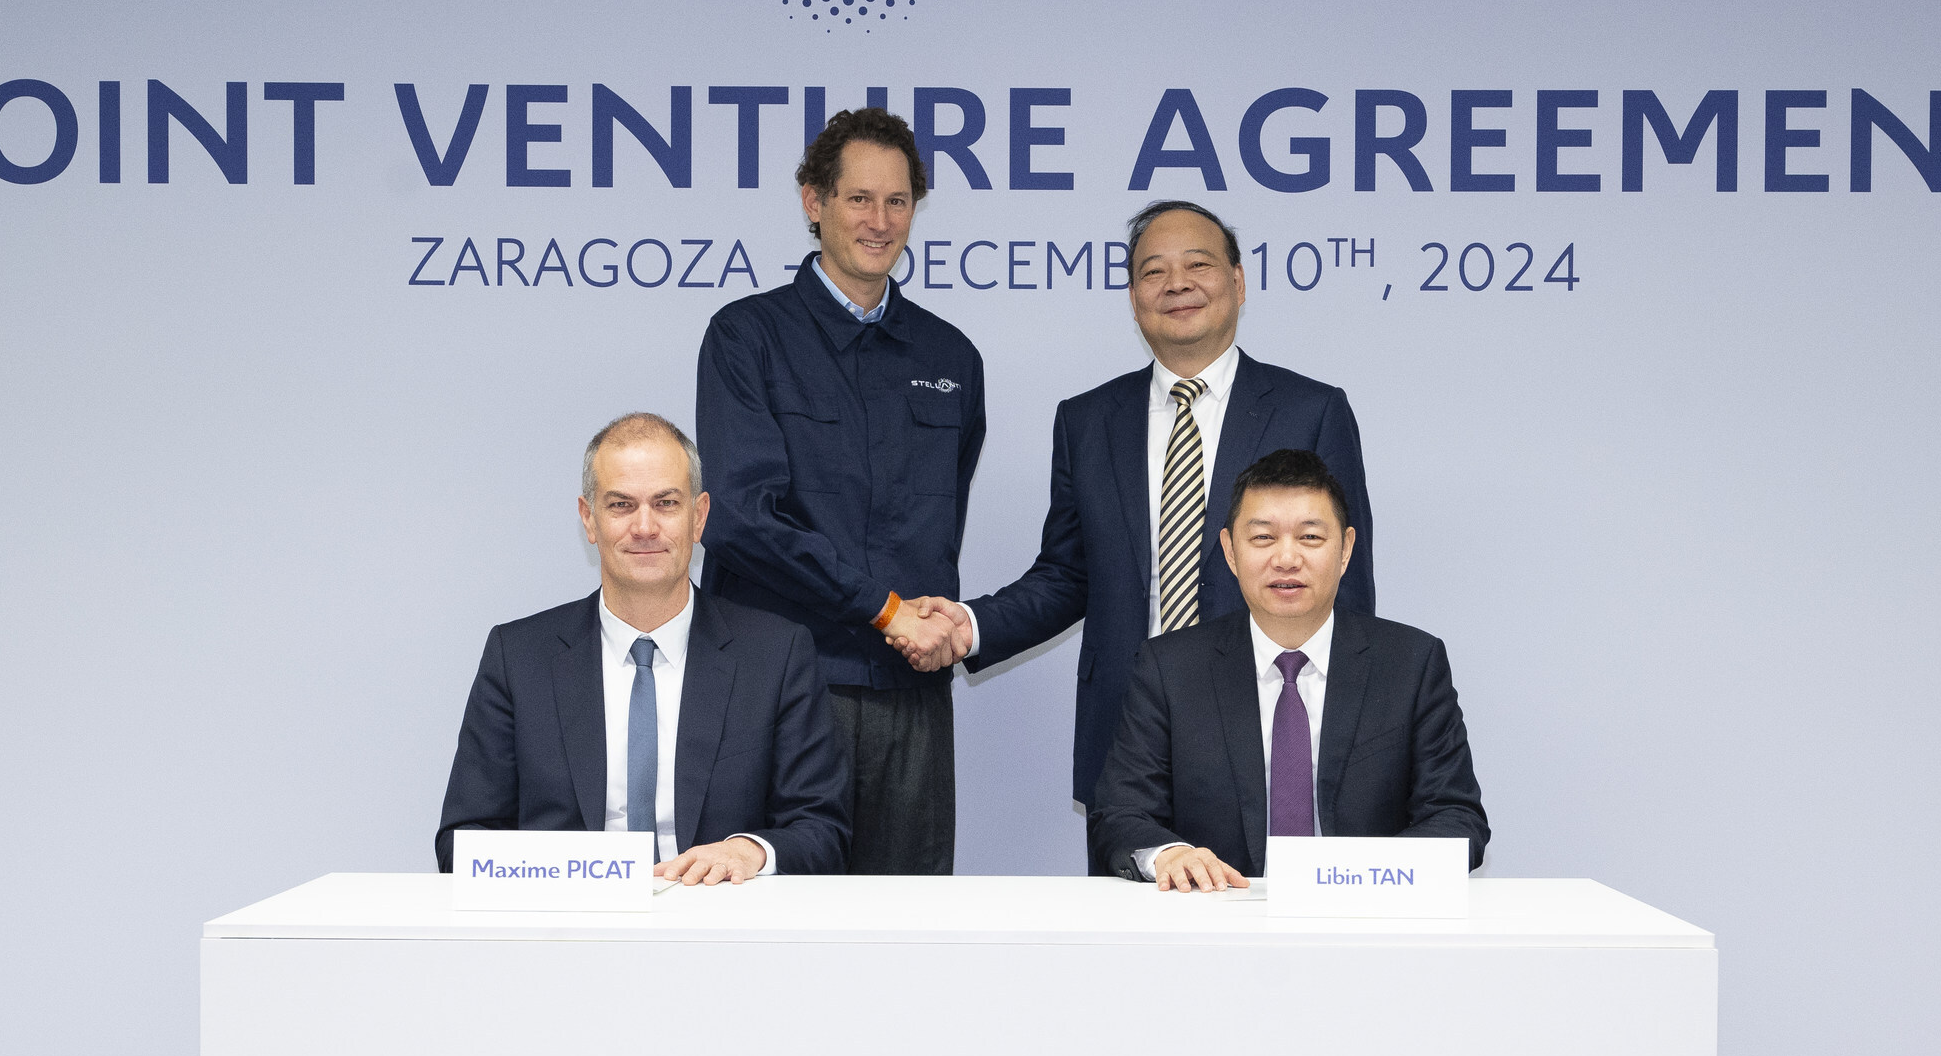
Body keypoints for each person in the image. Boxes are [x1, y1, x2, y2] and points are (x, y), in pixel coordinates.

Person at [893, 201, 1377, 847]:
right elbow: (1068, 575)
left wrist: (1342, 738)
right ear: (1132, 297)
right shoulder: (1088, 420)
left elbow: (1345, 584)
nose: (1176, 284)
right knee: (1131, 910)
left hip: (1271, 729)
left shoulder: (1310, 410)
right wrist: (970, 626)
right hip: (1130, 738)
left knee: (1266, 914)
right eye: (1154, 271)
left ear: (1238, 282)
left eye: (1198, 265)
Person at [694, 107, 981, 875]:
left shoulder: (951, 357)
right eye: (859, 198)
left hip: (910, 697)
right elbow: (741, 520)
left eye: (897, 201)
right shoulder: (747, 337)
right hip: (780, 690)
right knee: (767, 916)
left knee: (907, 925)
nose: (879, 221)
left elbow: (942, 523)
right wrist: (884, 608)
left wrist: (923, 626)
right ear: (813, 202)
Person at [436, 413, 851, 882]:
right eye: (621, 505)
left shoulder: (777, 655)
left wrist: (750, 850)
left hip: (717, 914)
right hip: (568, 918)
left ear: (699, 517)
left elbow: (823, 831)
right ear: (589, 519)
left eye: (666, 503)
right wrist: (567, 874)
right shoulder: (517, 658)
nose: (645, 527)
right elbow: (462, 839)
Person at [1087, 448, 1485, 890]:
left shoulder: (1411, 663)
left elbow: (1456, 817)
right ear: (1230, 551)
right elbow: (1120, 814)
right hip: (1217, 914)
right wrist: (1170, 855)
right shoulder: (1169, 668)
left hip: (1362, 914)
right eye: (1263, 538)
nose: (1287, 558)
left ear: (1346, 549)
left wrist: (1361, 877)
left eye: (1310, 537)